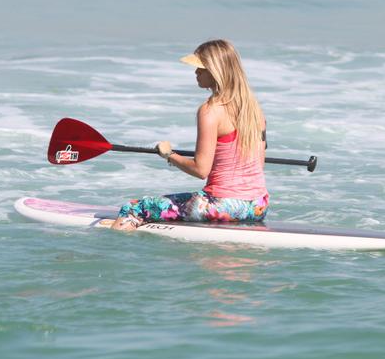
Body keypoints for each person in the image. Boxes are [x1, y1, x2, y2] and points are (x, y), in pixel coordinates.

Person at [112, 39, 269, 231]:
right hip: (258, 206)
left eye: (201, 69)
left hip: (222, 206)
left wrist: (169, 155)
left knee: (134, 208)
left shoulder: (210, 111)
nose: (196, 73)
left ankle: (110, 247)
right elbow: (258, 164)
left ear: (215, 71)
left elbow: (201, 170)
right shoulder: (255, 110)